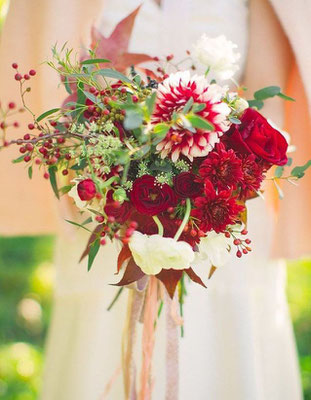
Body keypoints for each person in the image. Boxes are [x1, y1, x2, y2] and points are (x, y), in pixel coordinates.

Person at [0, 0, 310, 399]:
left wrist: (210, 187)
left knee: (229, 346)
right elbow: (57, 93)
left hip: (226, 210)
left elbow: (266, 105)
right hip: (108, 208)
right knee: (101, 340)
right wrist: (100, 180)